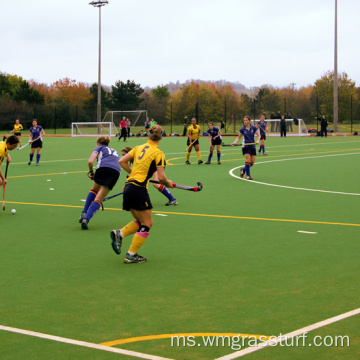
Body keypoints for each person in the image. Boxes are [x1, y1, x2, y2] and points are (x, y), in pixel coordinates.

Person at [111, 125, 174, 264]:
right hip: (139, 188)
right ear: (161, 137)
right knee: (148, 223)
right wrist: (168, 183)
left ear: (148, 135)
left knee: (141, 222)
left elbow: (122, 161)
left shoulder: (138, 147)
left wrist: (132, 172)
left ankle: (119, 233)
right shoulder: (158, 153)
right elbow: (162, 177)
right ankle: (131, 254)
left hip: (128, 187)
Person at [79, 136, 121, 230]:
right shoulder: (114, 150)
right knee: (99, 198)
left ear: (98, 143)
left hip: (103, 168)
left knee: (94, 190)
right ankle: (86, 219)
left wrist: (91, 171)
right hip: (116, 172)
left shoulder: (99, 147)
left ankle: (84, 212)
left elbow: (90, 161)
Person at [231, 115, 260, 180]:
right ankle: (248, 175)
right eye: (244, 120)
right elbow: (238, 137)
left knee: (252, 163)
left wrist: (258, 140)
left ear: (249, 121)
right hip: (245, 146)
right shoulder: (242, 129)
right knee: (248, 160)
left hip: (252, 146)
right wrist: (234, 142)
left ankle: (243, 170)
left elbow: (259, 135)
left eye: (246, 120)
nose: (245, 121)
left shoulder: (253, 128)